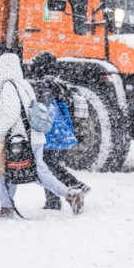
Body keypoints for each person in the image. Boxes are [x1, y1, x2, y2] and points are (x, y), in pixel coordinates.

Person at [0, 53, 86, 220]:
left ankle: (6, 208)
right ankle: (70, 194)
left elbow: (10, 114)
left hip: (20, 139)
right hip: (35, 137)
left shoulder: (9, 87)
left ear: (2, 71)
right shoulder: (25, 85)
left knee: (5, 172)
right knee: (35, 172)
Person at [26, 53, 90, 211]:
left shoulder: (42, 83)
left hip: (49, 131)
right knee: (48, 165)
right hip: (61, 129)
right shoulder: (59, 83)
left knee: (48, 166)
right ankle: (52, 201)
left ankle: (76, 185)